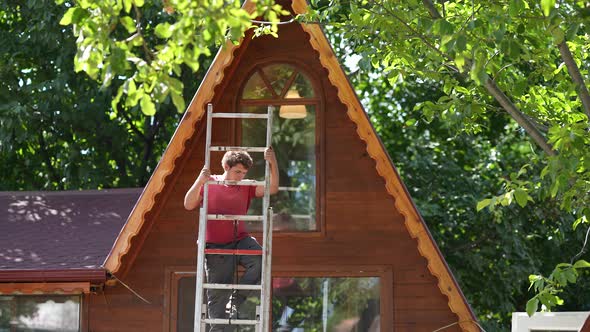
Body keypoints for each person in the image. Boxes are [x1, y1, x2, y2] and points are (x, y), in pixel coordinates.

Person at [184, 148, 279, 331]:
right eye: (237, 172)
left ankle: (236, 301)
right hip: (215, 247)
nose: (240, 177)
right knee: (217, 300)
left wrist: (273, 162)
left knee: (260, 259)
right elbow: (188, 204)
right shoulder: (210, 183)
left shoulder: (246, 185)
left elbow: (272, 188)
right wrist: (200, 180)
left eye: (244, 173)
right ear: (226, 167)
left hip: (240, 239)